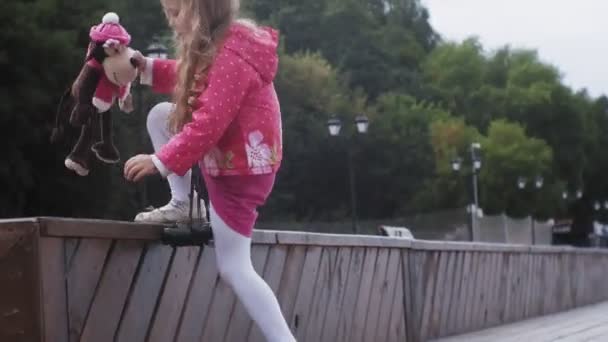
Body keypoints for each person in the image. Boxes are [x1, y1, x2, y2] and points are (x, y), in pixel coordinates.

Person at [123, 0, 295, 340]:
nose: (171, 23)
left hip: (240, 172)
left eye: (176, 13)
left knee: (234, 267)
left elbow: (208, 124)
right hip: (234, 158)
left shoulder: (231, 56)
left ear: (201, 12)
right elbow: (186, 77)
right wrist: (145, 69)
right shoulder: (222, 44)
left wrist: (160, 162)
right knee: (160, 116)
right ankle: (184, 202)